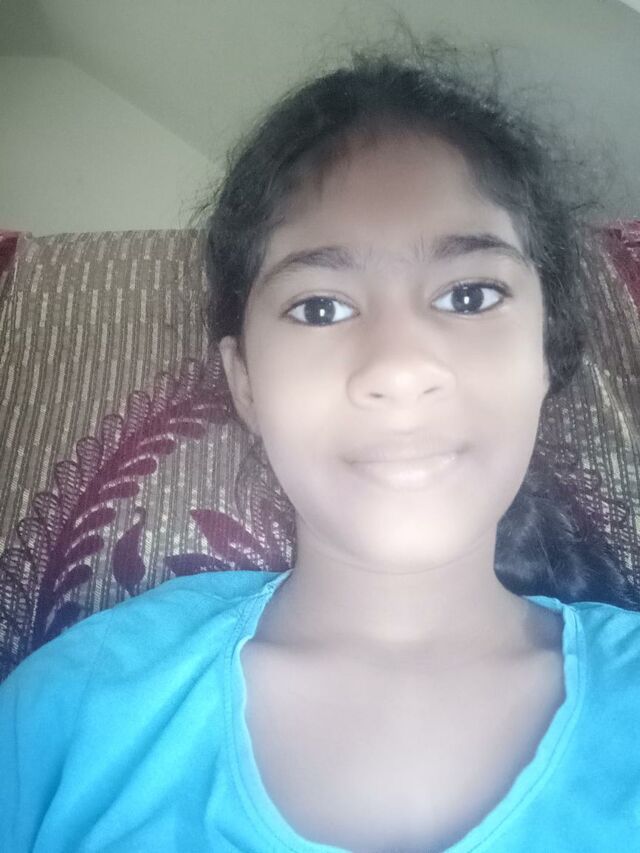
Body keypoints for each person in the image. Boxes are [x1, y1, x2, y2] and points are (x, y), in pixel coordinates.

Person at [1, 35, 639, 853]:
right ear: (244, 382)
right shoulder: (73, 712)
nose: (399, 368)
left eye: (470, 295)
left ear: (546, 353)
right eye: (319, 307)